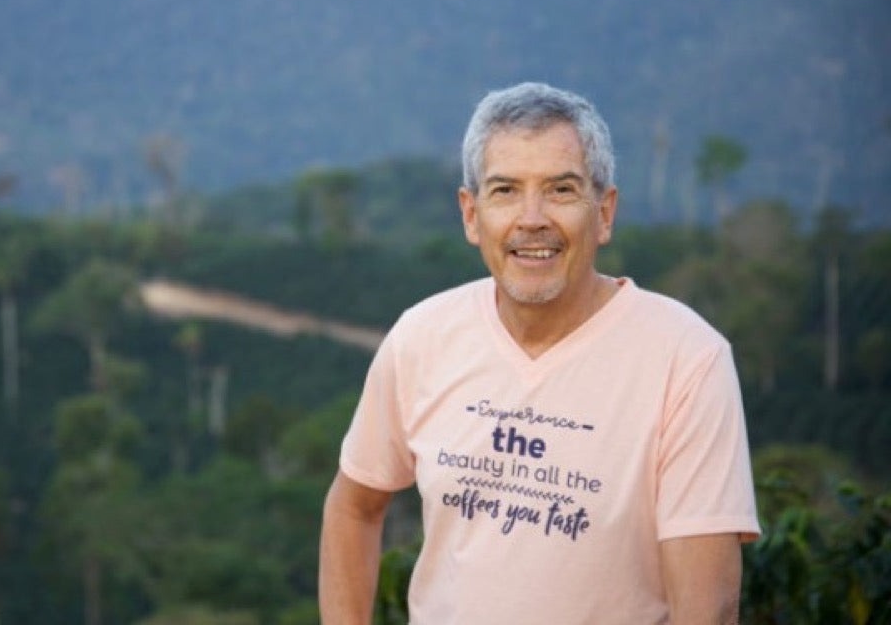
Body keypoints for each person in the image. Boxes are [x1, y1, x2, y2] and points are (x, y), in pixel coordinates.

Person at [318, 82, 759, 623]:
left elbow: (707, 609)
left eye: (560, 190)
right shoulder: (422, 336)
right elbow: (353, 507)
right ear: (470, 214)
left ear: (604, 212)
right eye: (505, 190)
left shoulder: (687, 359)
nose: (532, 218)